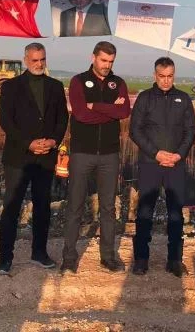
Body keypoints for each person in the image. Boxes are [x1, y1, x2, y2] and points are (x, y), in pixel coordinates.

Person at [0, 43, 68, 274]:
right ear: (26, 60)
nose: (39, 64)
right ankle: (5, 258)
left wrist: (53, 141)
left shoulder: (55, 86)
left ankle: (39, 252)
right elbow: (6, 121)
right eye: (35, 60)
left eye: (42, 59)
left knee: (43, 207)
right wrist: (28, 143)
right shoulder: (11, 86)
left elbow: (62, 119)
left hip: (45, 158)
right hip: (18, 157)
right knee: (12, 207)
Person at [61, 41, 130, 274]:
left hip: (109, 154)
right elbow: (81, 114)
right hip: (82, 152)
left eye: (111, 61)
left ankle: (108, 256)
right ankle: (69, 257)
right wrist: (109, 110)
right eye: (103, 60)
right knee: (75, 205)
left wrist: (95, 106)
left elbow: (124, 111)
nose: (107, 65)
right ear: (93, 58)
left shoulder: (118, 83)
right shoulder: (78, 81)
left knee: (108, 208)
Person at [129, 57, 195, 277]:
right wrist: (156, 153)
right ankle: (141, 259)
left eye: (170, 76)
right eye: (162, 76)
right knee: (145, 211)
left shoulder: (183, 98)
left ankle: (174, 260)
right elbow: (135, 130)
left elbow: (191, 130)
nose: (166, 80)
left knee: (176, 212)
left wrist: (178, 155)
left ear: (174, 75)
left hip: (175, 164)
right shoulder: (145, 98)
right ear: (155, 75)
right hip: (151, 163)